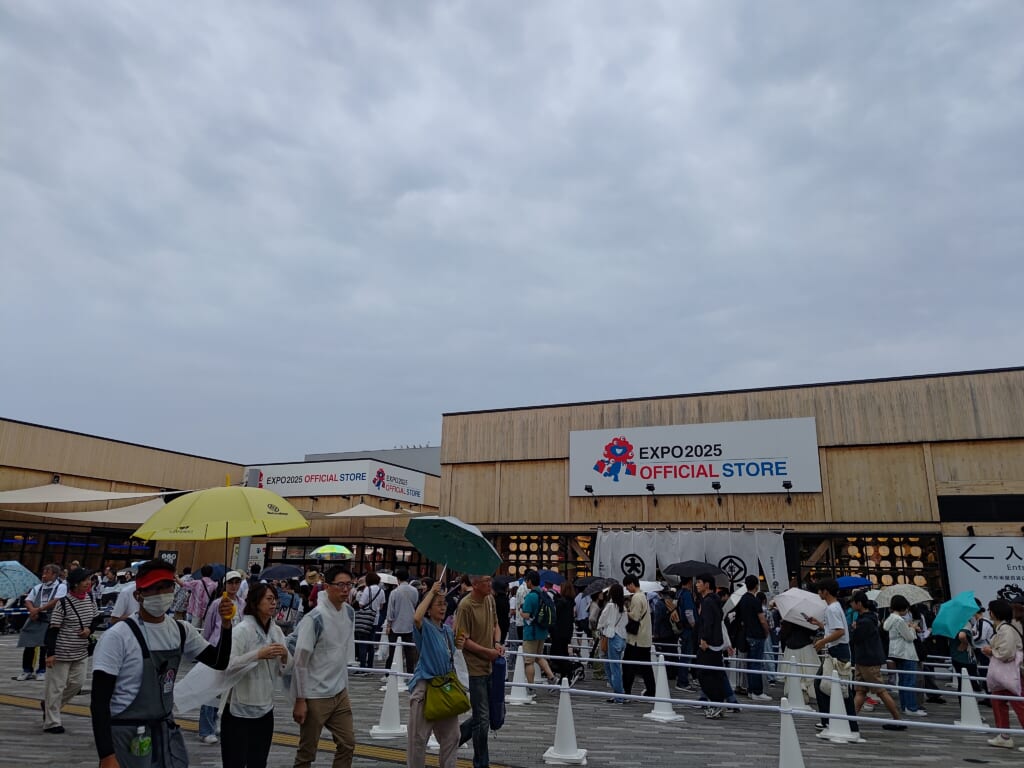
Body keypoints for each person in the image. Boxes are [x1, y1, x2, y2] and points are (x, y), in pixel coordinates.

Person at [91, 558, 234, 768]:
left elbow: (219, 661)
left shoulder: (181, 630)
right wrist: (106, 755)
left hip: (165, 731)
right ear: (138, 595)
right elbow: (99, 701)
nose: (162, 593)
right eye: (154, 588)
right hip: (127, 733)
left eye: (167, 586)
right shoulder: (117, 636)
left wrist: (227, 625)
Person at [292, 565, 356, 768]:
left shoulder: (349, 612)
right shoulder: (314, 618)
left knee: (348, 743)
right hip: (315, 695)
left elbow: (342, 653)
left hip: (339, 692)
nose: (345, 589)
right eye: (340, 585)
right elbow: (300, 661)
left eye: (349, 585)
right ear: (327, 587)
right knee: (307, 752)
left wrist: (345, 688)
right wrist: (300, 700)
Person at [221, 582, 289, 768]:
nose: (273, 603)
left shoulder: (276, 631)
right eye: (269, 599)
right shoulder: (242, 630)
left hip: (265, 705)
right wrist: (258, 655)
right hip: (238, 707)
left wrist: (284, 656)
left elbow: (284, 669)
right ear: (255, 602)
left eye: (275, 599)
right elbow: (228, 665)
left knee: (258, 761)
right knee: (234, 761)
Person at [407, 581, 463, 768]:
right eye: (438, 604)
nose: (443, 607)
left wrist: (460, 643)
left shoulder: (447, 631)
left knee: (453, 736)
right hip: (425, 687)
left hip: (445, 688)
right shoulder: (424, 626)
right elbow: (416, 617)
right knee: (418, 738)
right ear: (428, 610)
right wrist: (431, 592)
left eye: (444, 604)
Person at [455, 574, 504, 768]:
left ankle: (452, 740)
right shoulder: (465, 606)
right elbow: (462, 640)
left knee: (489, 715)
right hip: (474, 668)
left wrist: (497, 643)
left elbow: (496, 625)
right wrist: (487, 652)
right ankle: (481, 763)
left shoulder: (490, 599)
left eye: (490, 580)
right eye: (486, 581)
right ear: (475, 584)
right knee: (482, 719)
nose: (490, 584)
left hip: (490, 665)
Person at [42, 567, 99, 734]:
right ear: (75, 584)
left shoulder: (90, 598)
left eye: (89, 580)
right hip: (61, 651)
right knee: (56, 687)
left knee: (77, 683)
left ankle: (50, 706)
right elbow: (53, 630)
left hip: (80, 651)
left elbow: (96, 618)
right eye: (85, 580)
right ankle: (52, 722)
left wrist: (89, 630)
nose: (88, 583)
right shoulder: (63, 603)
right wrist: (51, 653)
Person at [198, 570, 246, 745]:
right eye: (230, 583)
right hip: (217, 649)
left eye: (237, 582)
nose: (234, 586)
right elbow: (208, 627)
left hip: (235, 650)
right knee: (210, 690)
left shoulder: (242, 603)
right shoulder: (217, 603)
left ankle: (215, 720)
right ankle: (206, 729)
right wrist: (205, 649)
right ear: (224, 585)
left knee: (224, 690)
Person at [849, 591, 905, 730]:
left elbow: (855, 638)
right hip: (864, 659)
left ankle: (898, 719)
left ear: (859, 603)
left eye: (853, 602)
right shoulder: (869, 618)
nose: (851, 604)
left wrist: (854, 629)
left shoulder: (865, 621)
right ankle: (850, 720)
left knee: (880, 690)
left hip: (868, 660)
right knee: (860, 691)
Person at [809, 579, 859, 734]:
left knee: (839, 688)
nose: (818, 593)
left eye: (820, 590)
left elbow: (840, 631)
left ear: (826, 591)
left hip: (838, 650)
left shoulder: (832, 609)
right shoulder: (836, 607)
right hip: (838, 650)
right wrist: (819, 624)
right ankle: (833, 721)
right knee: (830, 685)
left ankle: (843, 724)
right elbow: (835, 629)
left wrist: (822, 642)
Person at [982, 598, 1024, 749]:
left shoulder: (1005, 629)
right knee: (999, 702)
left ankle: (1004, 736)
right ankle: (1003, 735)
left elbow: (1007, 653)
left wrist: (991, 651)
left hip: (1010, 674)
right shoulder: (1005, 628)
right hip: (1007, 674)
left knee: (1018, 704)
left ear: (993, 613)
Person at [16, 563, 66, 681]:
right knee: (29, 644)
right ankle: (27, 670)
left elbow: (56, 601)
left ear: (54, 575)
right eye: (43, 573)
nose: (43, 575)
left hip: (50, 618)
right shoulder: (38, 587)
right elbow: (28, 600)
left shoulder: (61, 586)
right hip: (35, 618)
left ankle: (42, 670)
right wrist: (32, 611)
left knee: (45, 645)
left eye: (47, 573)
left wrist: (38, 609)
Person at [884, 594, 927, 717]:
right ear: (902, 607)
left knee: (903, 681)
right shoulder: (899, 620)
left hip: (897, 653)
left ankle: (905, 706)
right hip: (907, 653)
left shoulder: (890, 619)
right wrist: (912, 628)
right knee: (910, 681)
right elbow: (910, 637)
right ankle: (911, 708)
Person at [695, 573, 729, 718]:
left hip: (708, 644)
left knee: (704, 675)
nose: (697, 585)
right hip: (716, 643)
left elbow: (707, 622)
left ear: (707, 585)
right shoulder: (715, 600)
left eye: (699, 582)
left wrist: (704, 639)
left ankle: (717, 703)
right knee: (715, 675)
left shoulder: (708, 602)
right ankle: (719, 703)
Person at [735, 575, 771, 701]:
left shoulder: (743, 599)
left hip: (747, 634)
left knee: (750, 663)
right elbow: (762, 620)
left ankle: (750, 690)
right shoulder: (755, 601)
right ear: (756, 586)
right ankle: (757, 691)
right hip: (757, 634)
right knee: (757, 663)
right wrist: (767, 631)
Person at [519, 569, 557, 687]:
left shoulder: (531, 596)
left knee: (529, 661)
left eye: (526, 580)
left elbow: (527, 614)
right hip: (542, 630)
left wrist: (521, 612)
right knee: (539, 657)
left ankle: (530, 687)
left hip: (531, 632)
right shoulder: (544, 594)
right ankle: (551, 677)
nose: (526, 582)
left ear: (530, 581)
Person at [621, 574, 655, 699]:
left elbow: (635, 617)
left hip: (636, 639)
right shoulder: (643, 596)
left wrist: (626, 611)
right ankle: (651, 690)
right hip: (645, 637)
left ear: (631, 584)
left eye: (627, 586)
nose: (627, 588)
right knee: (646, 666)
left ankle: (626, 690)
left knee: (628, 664)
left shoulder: (636, 597)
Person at [386, 568, 420, 674]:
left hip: (396, 625)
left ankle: (388, 673)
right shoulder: (414, 591)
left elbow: (390, 610)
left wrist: (388, 624)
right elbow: (415, 604)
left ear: (398, 579)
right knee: (409, 651)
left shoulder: (395, 592)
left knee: (393, 650)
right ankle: (410, 673)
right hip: (410, 624)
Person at [598, 583, 628, 703]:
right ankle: (619, 693)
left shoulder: (610, 606)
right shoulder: (623, 607)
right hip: (622, 638)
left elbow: (601, 621)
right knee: (616, 668)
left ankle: (618, 695)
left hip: (612, 637)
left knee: (611, 668)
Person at [551, 580, 582, 685]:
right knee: (563, 653)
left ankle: (570, 669)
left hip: (559, 632)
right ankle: (565, 675)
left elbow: (556, 616)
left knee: (556, 654)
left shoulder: (561, 602)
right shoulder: (571, 602)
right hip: (567, 631)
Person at [355, 572, 386, 670]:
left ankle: (363, 666)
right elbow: (382, 606)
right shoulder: (381, 591)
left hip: (365, 619)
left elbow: (361, 604)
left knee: (362, 643)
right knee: (371, 643)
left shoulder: (367, 589)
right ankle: (370, 665)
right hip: (375, 618)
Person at [671, 576, 697, 690]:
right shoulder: (686, 594)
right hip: (688, 628)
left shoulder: (678, 593)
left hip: (681, 626)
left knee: (684, 655)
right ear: (690, 582)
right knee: (686, 655)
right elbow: (689, 612)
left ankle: (682, 680)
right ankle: (683, 682)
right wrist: (694, 625)